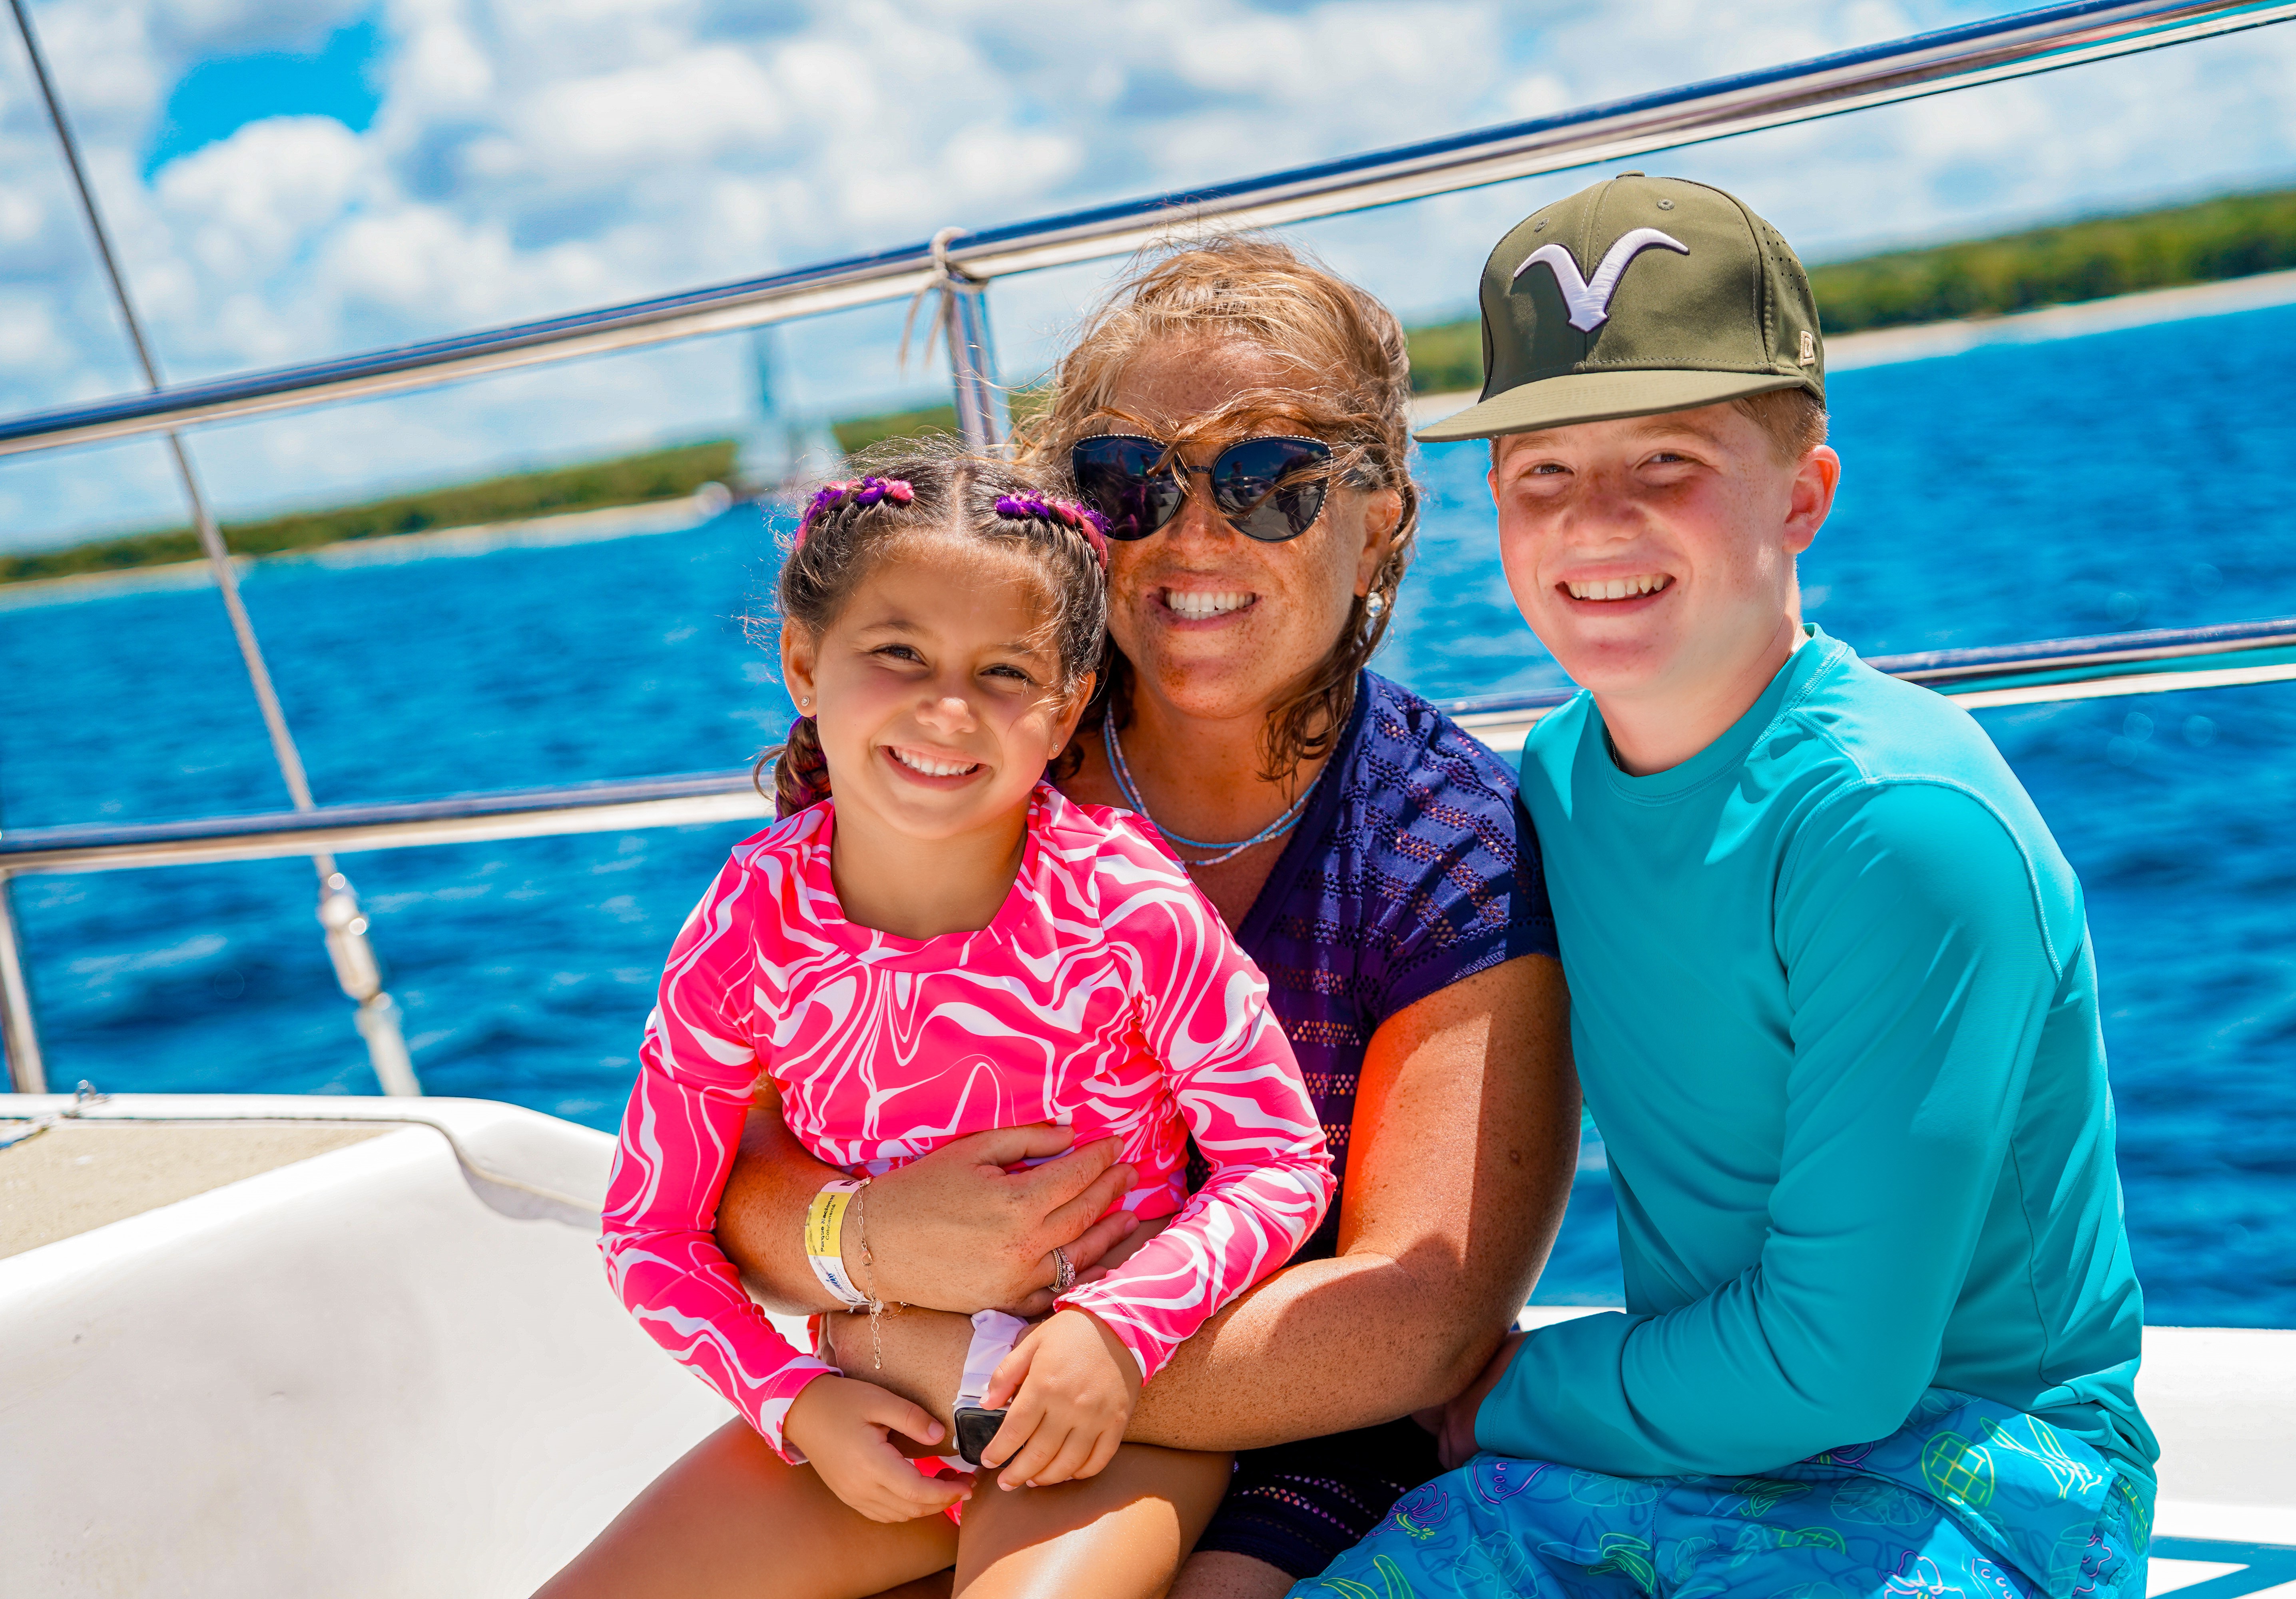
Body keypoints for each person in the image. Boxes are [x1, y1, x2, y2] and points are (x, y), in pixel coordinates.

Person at [555, 239, 1579, 1599]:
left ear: (1383, 513)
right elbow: (712, 1191)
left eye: (1270, 479)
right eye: (1128, 478)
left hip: (1283, 1422)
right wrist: (862, 1247)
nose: (1194, 534)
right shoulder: (950, 763)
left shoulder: (1442, 842)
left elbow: (1413, 1320)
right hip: (895, 1409)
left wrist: (946, 1352)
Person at [1290, 173, 2158, 1599]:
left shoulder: (1896, 825)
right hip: (1680, 1452)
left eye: (1668, 461)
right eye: (1544, 474)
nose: (1598, 521)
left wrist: (1499, 1393)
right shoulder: (1560, 780)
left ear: (1804, 496)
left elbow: (1837, 1366)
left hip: (1978, 1465)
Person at [546, 448, 1341, 1599]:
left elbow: (1279, 1166)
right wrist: (793, 1401)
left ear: (1066, 708)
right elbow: (647, 1233)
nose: (949, 708)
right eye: (899, 654)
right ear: (804, 664)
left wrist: (1118, 1331)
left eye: (1006, 672)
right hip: (868, 1414)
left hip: (1106, 1421)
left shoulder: (1126, 903)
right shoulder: (746, 923)